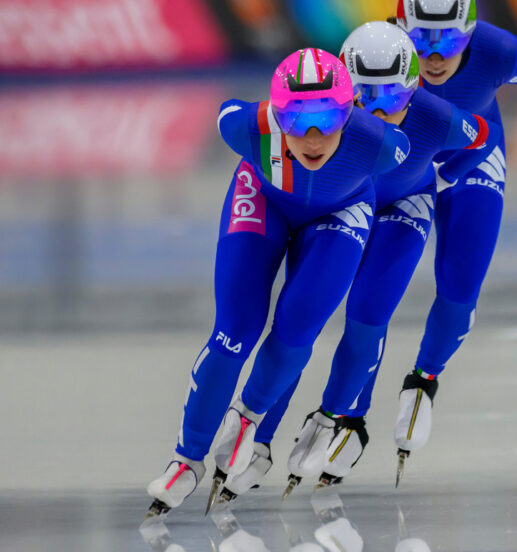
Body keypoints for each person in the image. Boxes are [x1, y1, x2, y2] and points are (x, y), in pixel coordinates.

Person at [215, 21, 504, 503]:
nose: (378, 110)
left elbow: (483, 139)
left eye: (393, 96)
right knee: (298, 322)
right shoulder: (326, 123)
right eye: (365, 95)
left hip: (402, 208)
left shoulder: (436, 117)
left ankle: (337, 419)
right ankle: (260, 437)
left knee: (368, 314)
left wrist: (444, 177)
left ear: (413, 89)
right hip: (343, 208)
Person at [144, 48, 410, 518]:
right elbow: (229, 110)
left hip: (339, 214)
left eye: (328, 120)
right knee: (235, 332)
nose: (312, 137)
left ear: (349, 114)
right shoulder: (245, 127)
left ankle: (247, 416)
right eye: (296, 119)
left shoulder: (379, 144)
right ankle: (187, 458)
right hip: (263, 200)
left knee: (297, 327)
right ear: (276, 115)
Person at [384, 0, 517, 481]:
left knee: (460, 293)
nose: (435, 56)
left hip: (471, 161)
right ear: (400, 30)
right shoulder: (379, 53)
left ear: (472, 33)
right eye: (422, 41)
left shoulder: (498, 50)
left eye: (451, 41)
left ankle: (424, 380)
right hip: (406, 166)